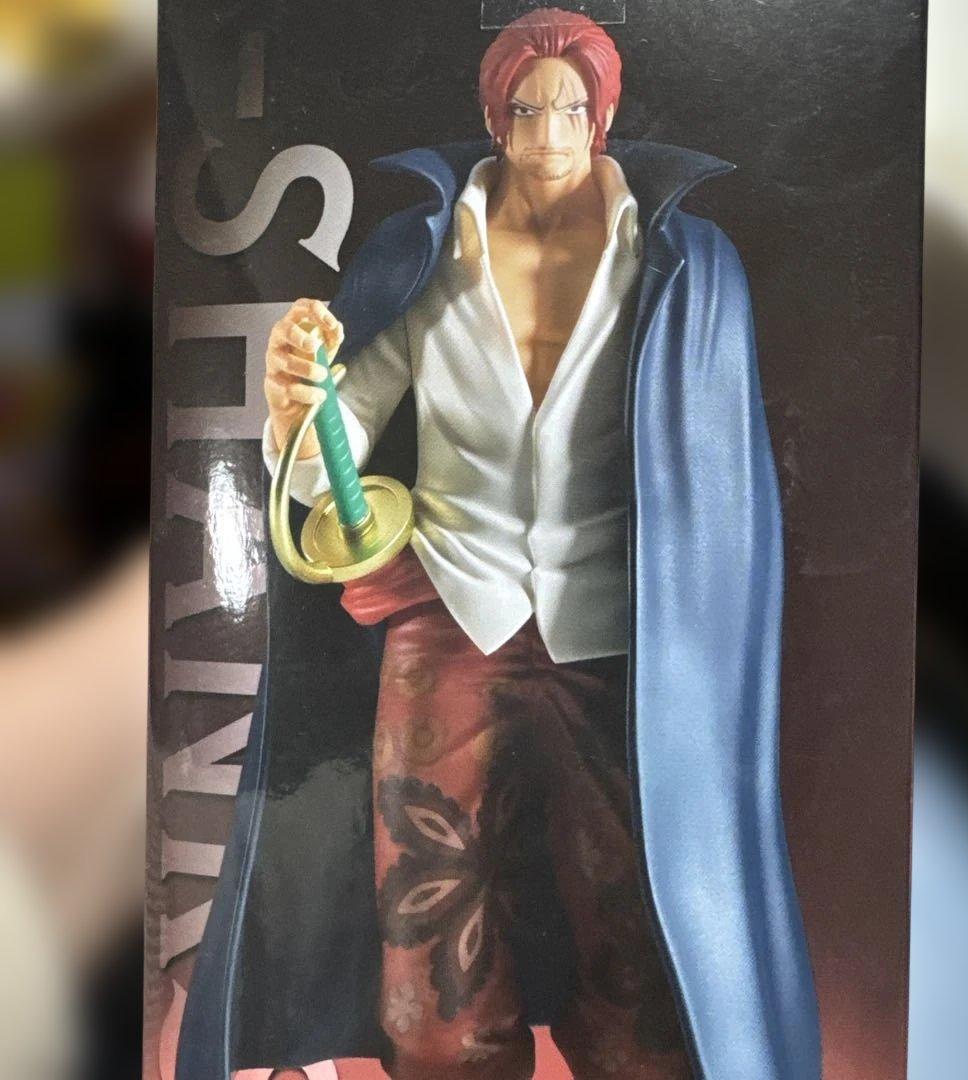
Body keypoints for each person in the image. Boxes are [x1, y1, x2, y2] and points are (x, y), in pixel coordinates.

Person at [178, 10, 820, 1080]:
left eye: (571, 109)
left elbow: (719, 488)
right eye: (527, 109)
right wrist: (296, 408)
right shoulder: (425, 257)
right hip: (451, 609)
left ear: (603, 117)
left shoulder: (681, 265)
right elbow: (343, 434)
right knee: (430, 914)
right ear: (495, 118)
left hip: (615, 631)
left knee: (635, 917)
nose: (549, 132)